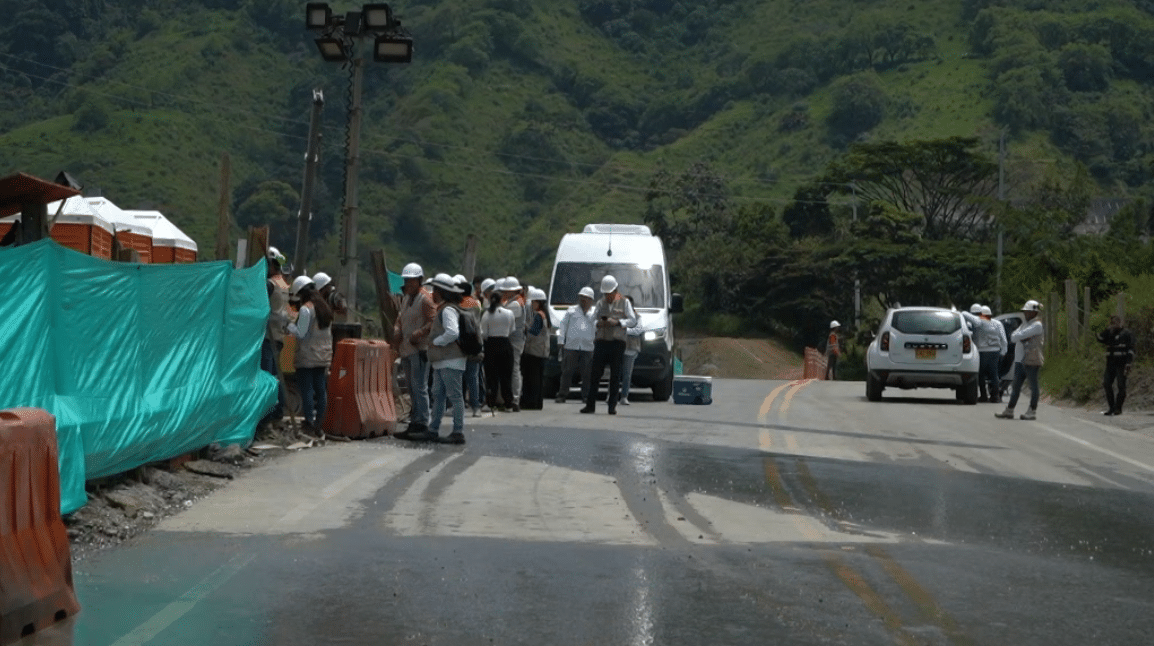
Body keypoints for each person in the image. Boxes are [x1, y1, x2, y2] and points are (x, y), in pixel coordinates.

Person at [403, 273, 468, 445]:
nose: (432, 293)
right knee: (438, 395)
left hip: (450, 360)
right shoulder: (444, 308)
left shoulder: (447, 310)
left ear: (441, 291)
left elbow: (453, 332)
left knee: (454, 396)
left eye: (435, 289)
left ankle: (458, 431)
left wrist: (436, 342)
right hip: (443, 361)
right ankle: (433, 429)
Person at [581, 275, 637, 415]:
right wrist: (598, 324)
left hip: (617, 343)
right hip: (601, 341)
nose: (608, 296)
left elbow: (632, 320)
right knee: (595, 374)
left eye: (610, 293)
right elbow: (592, 320)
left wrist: (618, 322)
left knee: (615, 375)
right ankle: (590, 405)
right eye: (605, 294)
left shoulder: (624, 302)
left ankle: (612, 406)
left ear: (615, 291)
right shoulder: (600, 303)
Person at [393, 262, 436, 439]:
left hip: (420, 349)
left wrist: (420, 332)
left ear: (420, 280)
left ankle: (423, 423)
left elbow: (434, 321)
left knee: (420, 387)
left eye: (412, 280)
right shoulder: (406, 299)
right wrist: (396, 328)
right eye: (406, 280)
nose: (408, 284)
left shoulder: (425, 299)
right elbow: (400, 318)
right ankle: (415, 421)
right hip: (407, 349)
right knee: (411, 387)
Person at [287, 276, 334, 434]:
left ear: (302, 293)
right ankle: (320, 424)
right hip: (323, 356)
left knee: (307, 390)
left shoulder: (306, 309)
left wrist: (288, 325)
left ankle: (309, 423)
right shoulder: (324, 307)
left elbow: (301, 333)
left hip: (307, 356)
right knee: (321, 390)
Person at [258, 248, 291, 430]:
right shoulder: (284, 284)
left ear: (271, 264)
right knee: (276, 376)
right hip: (279, 336)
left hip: (269, 335)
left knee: (267, 376)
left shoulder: (270, 284)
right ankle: (277, 412)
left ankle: (266, 416)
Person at [996, 300, 1045, 421]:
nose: (1025, 314)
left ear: (1034, 313)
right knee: (1016, 387)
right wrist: (1020, 335)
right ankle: (1010, 410)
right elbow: (1014, 336)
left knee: (1033, 387)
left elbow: (1016, 336)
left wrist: (1019, 335)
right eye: (1025, 312)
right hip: (1020, 360)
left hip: (1030, 360)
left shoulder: (1037, 325)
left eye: (1028, 312)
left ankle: (1032, 410)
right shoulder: (1025, 324)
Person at [556, 286, 596, 404]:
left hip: (587, 347)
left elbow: (597, 328)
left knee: (587, 374)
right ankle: (562, 395)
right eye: (582, 298)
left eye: (586, 298)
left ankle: (586, 396)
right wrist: (561, 341)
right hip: (571, 346)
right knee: (567, 372)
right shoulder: (571, 311)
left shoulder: (594, 314)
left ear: (591, 300)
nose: (583, 300)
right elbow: (563, 326)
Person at [961, 304, 1008, 403]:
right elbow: (1004, 339)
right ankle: (995, 397)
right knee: (994, 375)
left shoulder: (978, 322)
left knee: (981, 375)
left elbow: (969, 318)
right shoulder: (998, 323)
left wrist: (963, 312)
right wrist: (1003, 352)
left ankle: (983, 396)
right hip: (995, 352)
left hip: (982, 352)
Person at [481, 289, 515, 414]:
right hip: (505, 344)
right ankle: (508, 403)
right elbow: (512, 329)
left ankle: (491, 402)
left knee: (491, 377)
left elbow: (483, 332)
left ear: (490, 300)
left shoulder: (487, 314)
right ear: (502, 300)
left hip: (491, 345)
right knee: (506, 376)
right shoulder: (509, 313)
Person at [456, 274, 485, 417]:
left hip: (460, 344)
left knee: (459, 376)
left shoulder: (457, 306)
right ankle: (476, 406)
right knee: (473, 377)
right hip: (476, 342)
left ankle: (460, 405)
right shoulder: (477, 304)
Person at [1097, 315, 1135, 416]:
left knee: (1121, 386)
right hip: (1110, 364)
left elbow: (1131, 349)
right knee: (1106, 383)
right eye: (1112, 323)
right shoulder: (1109, 334)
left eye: (1116, 322)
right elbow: (1100, 338)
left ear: (1121, 322)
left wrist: (1128, 362)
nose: (1115, 324)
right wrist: (1107, 330)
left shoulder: (1127, 334)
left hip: (1121, 363)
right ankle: (1111, 407)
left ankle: (1118, 408)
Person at [520, 287, 550, 410]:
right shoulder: (544, 315)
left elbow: (534, 333)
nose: (532, 304)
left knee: (532, 378)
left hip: (534, 351)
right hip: (541, 351)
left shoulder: (538, 316)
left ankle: (530, 402)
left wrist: (525, 329)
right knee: (538, 378)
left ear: (538, 302)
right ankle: (537, 402)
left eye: (533, 302)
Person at [500, 277, 526, 412]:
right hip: (513, 339)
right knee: (512, 369)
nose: (504, 292)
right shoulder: (514, 301)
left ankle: (515, 398)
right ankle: (512, 397)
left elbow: (505, 319)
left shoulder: (515, 304)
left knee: (514, 369)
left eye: (506, 290)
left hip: (514, 340)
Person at [620, 295, 642, 406]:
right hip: (618, 348)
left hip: (631, 349)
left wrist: (624, 329)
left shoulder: (637, 317)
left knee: (627, 374)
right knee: (613, 374)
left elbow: (638, 330)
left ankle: (624, 396)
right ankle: (610, 395)